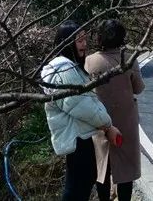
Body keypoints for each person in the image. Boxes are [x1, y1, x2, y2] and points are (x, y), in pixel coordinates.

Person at [41, 20, 122, 201]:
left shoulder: (66, 66)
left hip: (79, 137)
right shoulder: (64, 70)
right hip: (78, 140)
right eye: (79, 40)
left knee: (80, 186)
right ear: (67, 42)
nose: (85, 44)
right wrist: (108, 125)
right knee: (77, 188)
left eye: (85, 39)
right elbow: (82, 106)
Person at [85, 19, 146, 201]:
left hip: (100, 123)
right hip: (126, 121)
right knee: (125, 169)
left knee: (103, 167)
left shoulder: (90, 62)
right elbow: (139, 88)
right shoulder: (128, 59)